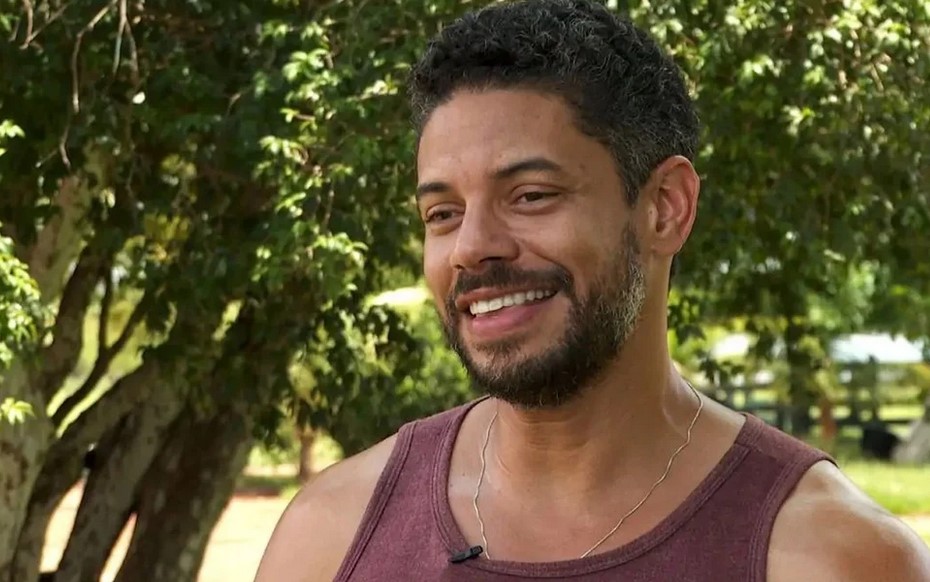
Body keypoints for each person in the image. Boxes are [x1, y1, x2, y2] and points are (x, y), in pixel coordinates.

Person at [256, 1, 930, 580]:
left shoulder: (827, 557)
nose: (470, 247)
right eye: (442, 213)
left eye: (531, 195)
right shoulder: (331, 538)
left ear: (665, 206)